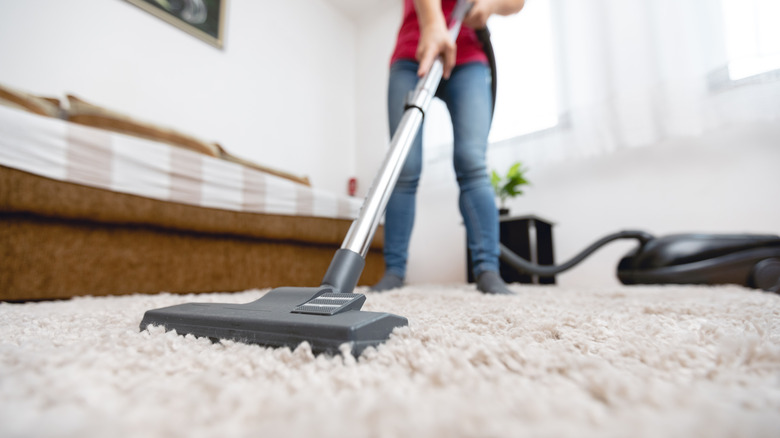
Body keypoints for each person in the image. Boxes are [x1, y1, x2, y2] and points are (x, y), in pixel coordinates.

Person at [372, 0, 525, 294]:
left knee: (472, 161)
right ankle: (393, 272)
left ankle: (488, 271)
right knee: (404, 165)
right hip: (412, 53)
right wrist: (431, 22)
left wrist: (490, 5)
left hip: (468, 56)